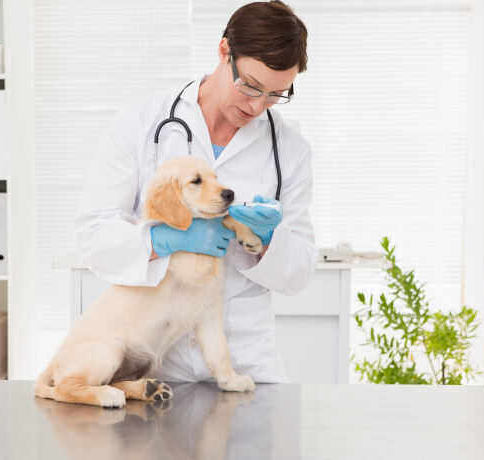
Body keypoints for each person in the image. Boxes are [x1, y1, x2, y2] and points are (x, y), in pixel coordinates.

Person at [73, 0, 316, 383]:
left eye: (275, 94)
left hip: (248, 362)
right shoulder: (140, 123)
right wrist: (164, 238)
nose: (257, 106)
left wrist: (268, 240)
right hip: (154, 364)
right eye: (250, 85)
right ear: (224, 52)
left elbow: (299, 273)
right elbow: (93, 236)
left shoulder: (289, 149)